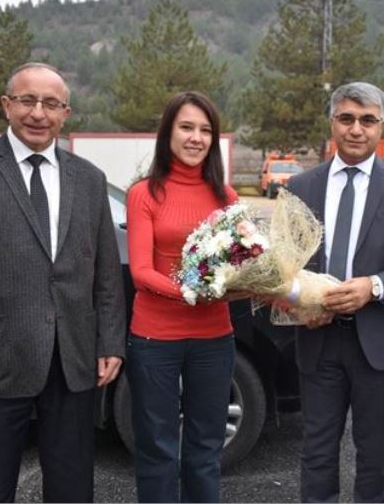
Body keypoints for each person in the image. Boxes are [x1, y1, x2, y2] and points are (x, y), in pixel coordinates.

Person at [0, 62, 126, 502]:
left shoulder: (89, 180)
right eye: (27, 100)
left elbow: (107, 273)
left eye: (51, 104)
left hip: (72, 362)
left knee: (72, 489)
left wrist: (110, 342)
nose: (38, 113)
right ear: (6, 105)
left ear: (65, 113)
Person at [286, 82, 384, 502]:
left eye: (367, 120)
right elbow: (285, 267)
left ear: (381, 126)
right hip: (318, 339)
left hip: (381, 341)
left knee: (375, 453)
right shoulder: (301, 186)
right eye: (347, 118)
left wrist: (374, 286)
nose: (356, 129)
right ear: (332, 123)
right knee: (317, 451)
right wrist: (299, 303)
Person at [126, 91, 239, 503]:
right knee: (157, 447)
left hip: (214, 337)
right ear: (168, 133)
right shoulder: (144, 193)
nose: (196, 138)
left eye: (205, 130)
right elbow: (141, 272)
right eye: (187, 127)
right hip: (155, 337)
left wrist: (260, 284)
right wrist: (195, 293)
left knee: (205, 448)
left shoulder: (227, 198)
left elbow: (237, 266)